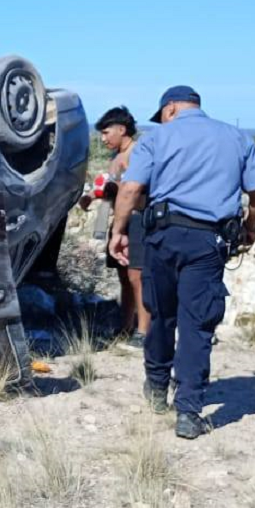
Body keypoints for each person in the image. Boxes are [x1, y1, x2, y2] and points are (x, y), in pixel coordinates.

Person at [109, 86, 255, 439]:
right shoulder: (238, 138)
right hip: (208, 242)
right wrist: (249, 228)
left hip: (162, 237)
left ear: (170, 108)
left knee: (160, 314)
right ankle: (189, 412)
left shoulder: (156, 138)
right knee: (197, 325)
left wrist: (118, 231)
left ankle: (155, 387)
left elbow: (131, 190)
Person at [80, 106, 149, 346]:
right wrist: (94, 196)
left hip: (138, 219)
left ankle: (144, 330)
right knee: (123, 275)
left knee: (136, 275)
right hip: (120, 221)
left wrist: (114, 190)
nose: (103, 138)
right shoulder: (116, 157)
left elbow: (137, 190)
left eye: (106, 132)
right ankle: (126, 325)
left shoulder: (137, 153)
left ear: (122, 129)